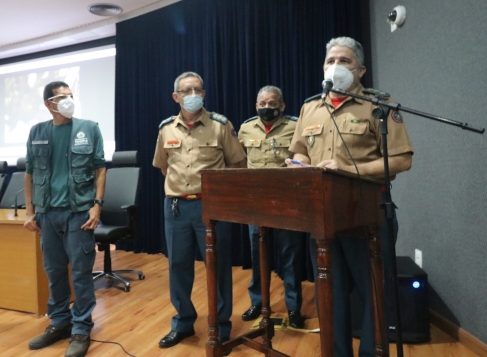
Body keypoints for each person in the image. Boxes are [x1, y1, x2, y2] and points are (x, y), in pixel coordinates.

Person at [288, 37, 413, 357]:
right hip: (323, 216)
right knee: (330, 293)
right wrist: (300, 165)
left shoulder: (380, 106)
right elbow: (300, 148)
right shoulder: (310, 107)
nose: (336, 66)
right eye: (331, 61)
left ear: (360, 70)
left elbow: (401, 160)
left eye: (344, 61)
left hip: (368, 214)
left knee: (374, 294)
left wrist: (348, 169)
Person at [153, 72, 246, 354]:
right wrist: (181, 189)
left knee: (217, 267)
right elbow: (163, 166)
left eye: (197, 89)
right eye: (186, 90)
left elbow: (238, 164)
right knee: (178, 267)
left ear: (204, 94)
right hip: (177, 207)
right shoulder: (166, 128)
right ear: (176, 97)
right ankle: (183, 323)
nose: (192, 94)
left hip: (212, 208)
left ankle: (221, 327)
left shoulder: (220, 125)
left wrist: (220, 196)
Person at [23, 81, 106, 357]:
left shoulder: (89, 128)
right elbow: (30, 174)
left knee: (81, 274)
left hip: (79, 213)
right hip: (47, 214)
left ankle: (81, 329)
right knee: (55, 272)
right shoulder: (37, 131)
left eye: (71, 96)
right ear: (49, 103)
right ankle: (59, 323)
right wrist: (29, 211)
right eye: (62, 97)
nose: (69, 100)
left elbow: (100, 169)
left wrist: (97, 206)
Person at [237, 85, 306, 329]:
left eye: (272, 103)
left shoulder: (295, 126)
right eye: (262, 104)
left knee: (290, 256)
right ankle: (258, 302)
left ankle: (294, 307)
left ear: (282, 105)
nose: (267, 108)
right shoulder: (245, 128)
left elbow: (304, 157)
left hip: (287, 202)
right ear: (256, 106)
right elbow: (239, 161)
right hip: (257, 204)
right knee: (258, 256)